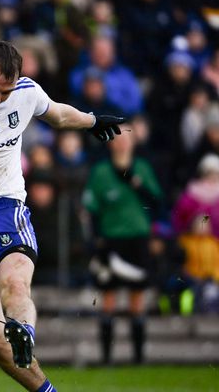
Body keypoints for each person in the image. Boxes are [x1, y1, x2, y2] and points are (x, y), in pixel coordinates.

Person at [0, 40, 124, 391]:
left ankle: (24, 330)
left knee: (14, 284)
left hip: (3, 207)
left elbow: (58, 114)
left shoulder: (25, 92)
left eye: (5, 92)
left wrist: (92, 121)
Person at [83, 124, 163, 364]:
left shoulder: (143, 169)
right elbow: (91, 209)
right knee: (107, 299)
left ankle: (138, 358)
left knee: (137, 300)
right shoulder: (100, 172)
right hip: (111, 240)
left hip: (138, 239)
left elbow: (156, 203)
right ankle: (106, 358)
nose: (122, 141)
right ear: (110, 142)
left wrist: (137, 184)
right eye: (118, 137)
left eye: (128, 136)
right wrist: (96, 240)